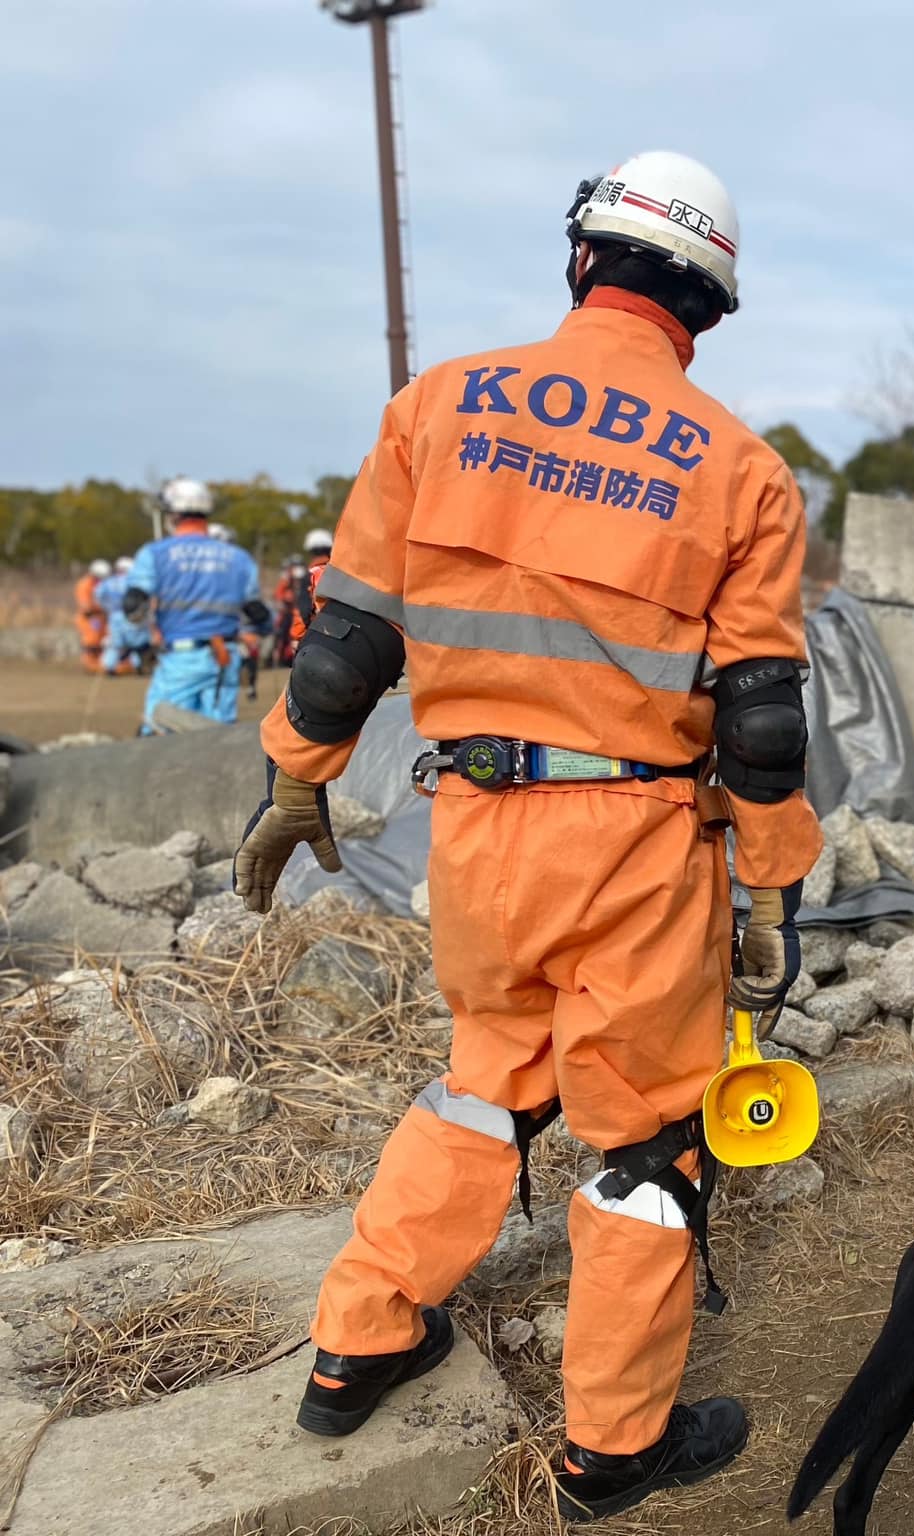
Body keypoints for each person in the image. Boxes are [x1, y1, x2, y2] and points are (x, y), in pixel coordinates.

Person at [231, 150, 821, 1524]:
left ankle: (360, 1334)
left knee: (484, 1083)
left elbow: (349, 642)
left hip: (477, 827)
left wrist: (296, 781)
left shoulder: (438, 405)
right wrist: (776, 882)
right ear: (711, 306)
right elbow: (762, 725)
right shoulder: (741, 470)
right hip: (631, 841)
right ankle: (614, 1446)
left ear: (582, 261)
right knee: (648, 1149)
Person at [125, 480, 265, 732]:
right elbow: (259, 614)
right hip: (225, 658)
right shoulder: (240, 558)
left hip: (181, 661)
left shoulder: (156, 554)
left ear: (174, 514)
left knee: (158, 731)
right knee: (219, 740)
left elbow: (133, 605)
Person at [73, 560, 110, 672]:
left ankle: (100, 663)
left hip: (100, 618)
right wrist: (101, 607)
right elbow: (86, 607)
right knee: (92, 640)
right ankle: (89, 664)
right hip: (88, 619)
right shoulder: (84, 585)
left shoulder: (102, 584)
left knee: (103, 640)